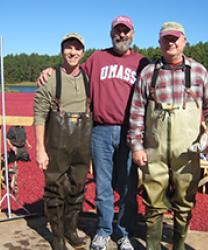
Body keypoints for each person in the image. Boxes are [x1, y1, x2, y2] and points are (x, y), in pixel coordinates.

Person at [37, 16, 149, 250]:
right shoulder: (97, 58)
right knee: (103, 186)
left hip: (130, 132)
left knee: (128, 187)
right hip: (99, 131)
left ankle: (124, 232)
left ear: (132, 34)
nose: (121, 35)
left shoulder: (142, 62)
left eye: (125, 31)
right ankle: (104, 230)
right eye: (117, 31)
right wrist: (50, 70)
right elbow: (72, 71)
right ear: (111, 33)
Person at [127, 21, 208, 250]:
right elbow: (137, 112)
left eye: (175, 38)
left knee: (184, 204)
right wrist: (136, 146)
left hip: (187, 153)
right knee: (153, 204)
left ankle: (178, 245)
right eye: (166, 39)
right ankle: (152, 246)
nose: (171, 43)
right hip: (154, 152)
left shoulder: (198, 71)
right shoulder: (148, 73)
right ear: (159, 42)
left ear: (184, 41)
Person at [34, 32, 92, 250]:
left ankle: (71, 229)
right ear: (62, 50)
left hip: (81, 144)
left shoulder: (88, 78)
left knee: (78, 188)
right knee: (55, 190)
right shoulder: (51, 78)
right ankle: (57, 236)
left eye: (77, 49)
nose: (73, 52)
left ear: (83, 53)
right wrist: (40, 148)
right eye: (69, 47)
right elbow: (39, 113)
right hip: (56, 144)